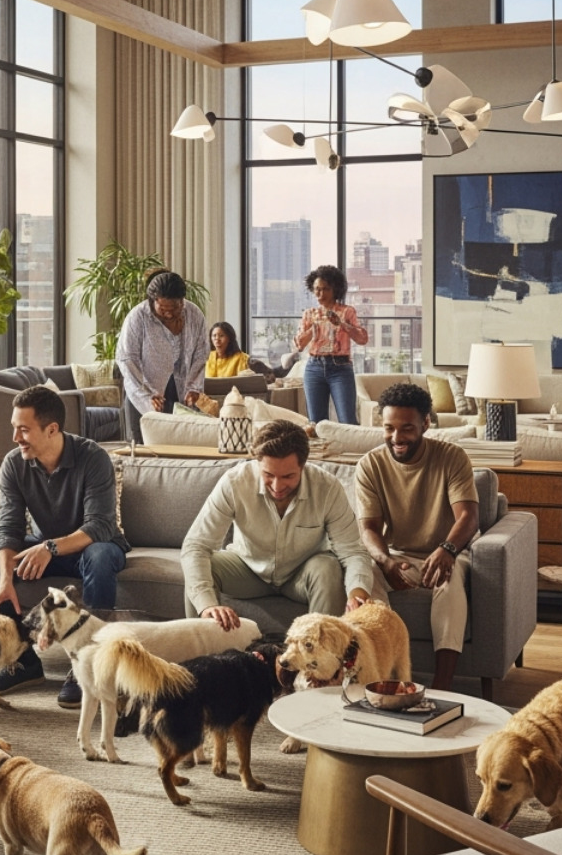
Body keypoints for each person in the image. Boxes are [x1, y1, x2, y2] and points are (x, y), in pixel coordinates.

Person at [0, 384, 129, 707]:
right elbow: (9, 528)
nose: (15, 438)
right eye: (15, 428)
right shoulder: (15, 464)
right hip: (47, 549)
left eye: (23, 430)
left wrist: (50, 548)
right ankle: (23, 661)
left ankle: (87, 665)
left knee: (97, 557)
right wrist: (4, 581)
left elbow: (100, 525)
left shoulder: (93, 458)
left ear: (52, 429)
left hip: (94, 546)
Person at [182, 420, 376, 641]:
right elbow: (196, 546)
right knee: (200, 567)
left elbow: (352, 551)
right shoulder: (234, 482)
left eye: (287, 477)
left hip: (302, 574)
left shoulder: (327, 488)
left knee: (328, 567)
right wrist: (207, 606)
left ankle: (321, 666)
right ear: (257, 463)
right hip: (248, 568)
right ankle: (202, 661)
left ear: (303, 467)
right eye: (268, 475)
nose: (276, 486)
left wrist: (357, 592)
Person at [353, 383, 480, 690]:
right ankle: (380, 678)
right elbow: (369, 528)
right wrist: (385, 561)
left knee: (448, 582)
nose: (396, 438)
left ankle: (442, 685)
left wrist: (447, 549)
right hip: (398, 554)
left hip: (447, 551)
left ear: (426, 423)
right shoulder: (370, 465)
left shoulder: (452, 457)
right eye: (389, 428)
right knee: (365, 575)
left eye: (407, 428)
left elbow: (469, 516)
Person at [117, 268, 208, 443]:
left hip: (180, 390)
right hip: (143, 393)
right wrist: (148, 393)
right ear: (152, 301)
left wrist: (194, 387)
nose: (169, 313)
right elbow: (128, 359)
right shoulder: (137, 317)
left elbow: (200, 353)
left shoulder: (194, 314)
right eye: (163, 308)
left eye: (175, 308)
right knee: (142, 449)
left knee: (179, 446)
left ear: (182, 300)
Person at [296, 264, 369, 425]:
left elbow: (362, 339)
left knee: (347, 420)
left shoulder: (347, 311)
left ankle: (351, 449)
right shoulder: (309, 314)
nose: (320, 294)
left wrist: (341, 324)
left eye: (325, 289)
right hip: (314, 367)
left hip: (340, 368)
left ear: (335, 289)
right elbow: (299, 345)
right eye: (317, 289)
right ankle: (322, 450)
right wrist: (312, 329)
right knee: (316, 422)